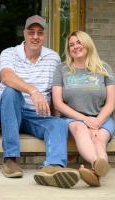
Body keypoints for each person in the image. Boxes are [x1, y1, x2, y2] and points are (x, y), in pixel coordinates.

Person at [0, 15, 80, 188]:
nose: (35, 36)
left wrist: (60, 114)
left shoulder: (53, 58)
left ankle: (53, 167)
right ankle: (10, 159)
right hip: (11, 110)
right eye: (31, 32)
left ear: (45, 36)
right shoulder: (9, 52)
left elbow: (54, 89)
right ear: (24, 34)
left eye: (40, 33)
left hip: (36, 114)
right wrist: (33, 91)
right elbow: (6, 76)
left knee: (58, 124)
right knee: (11, 92)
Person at [52, 31, 115, 187]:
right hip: (72, 117)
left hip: (102, 117)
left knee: (99, 139)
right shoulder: (61, 69)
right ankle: (97, 165)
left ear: (87, 44)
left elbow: (111, 103)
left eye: (79, 42)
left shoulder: (104, 68)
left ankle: (95, 173)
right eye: (71, 44)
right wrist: (86, 120)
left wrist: (97, 122)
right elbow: (58, 103)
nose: (75, 47)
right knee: (80, 129)